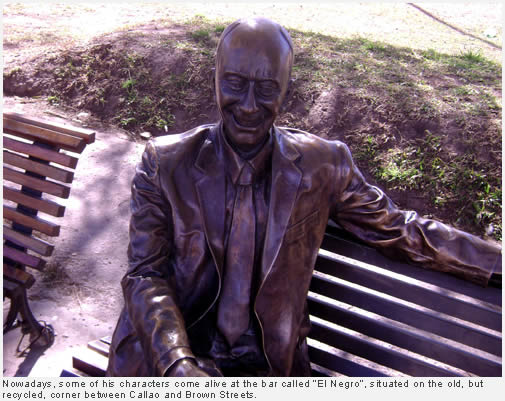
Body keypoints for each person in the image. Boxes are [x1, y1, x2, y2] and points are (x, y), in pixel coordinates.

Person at [106, 17, 501, 377]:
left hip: (267, 368)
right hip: (171, 358)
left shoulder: (324, 165)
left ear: (287, 90)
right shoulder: (165, 163)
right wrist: (178, 364)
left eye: (266, 88)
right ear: (215, 79)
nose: (248, 105)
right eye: (235, 83)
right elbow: (145, 274)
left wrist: (494, 261)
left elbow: (399, 229)